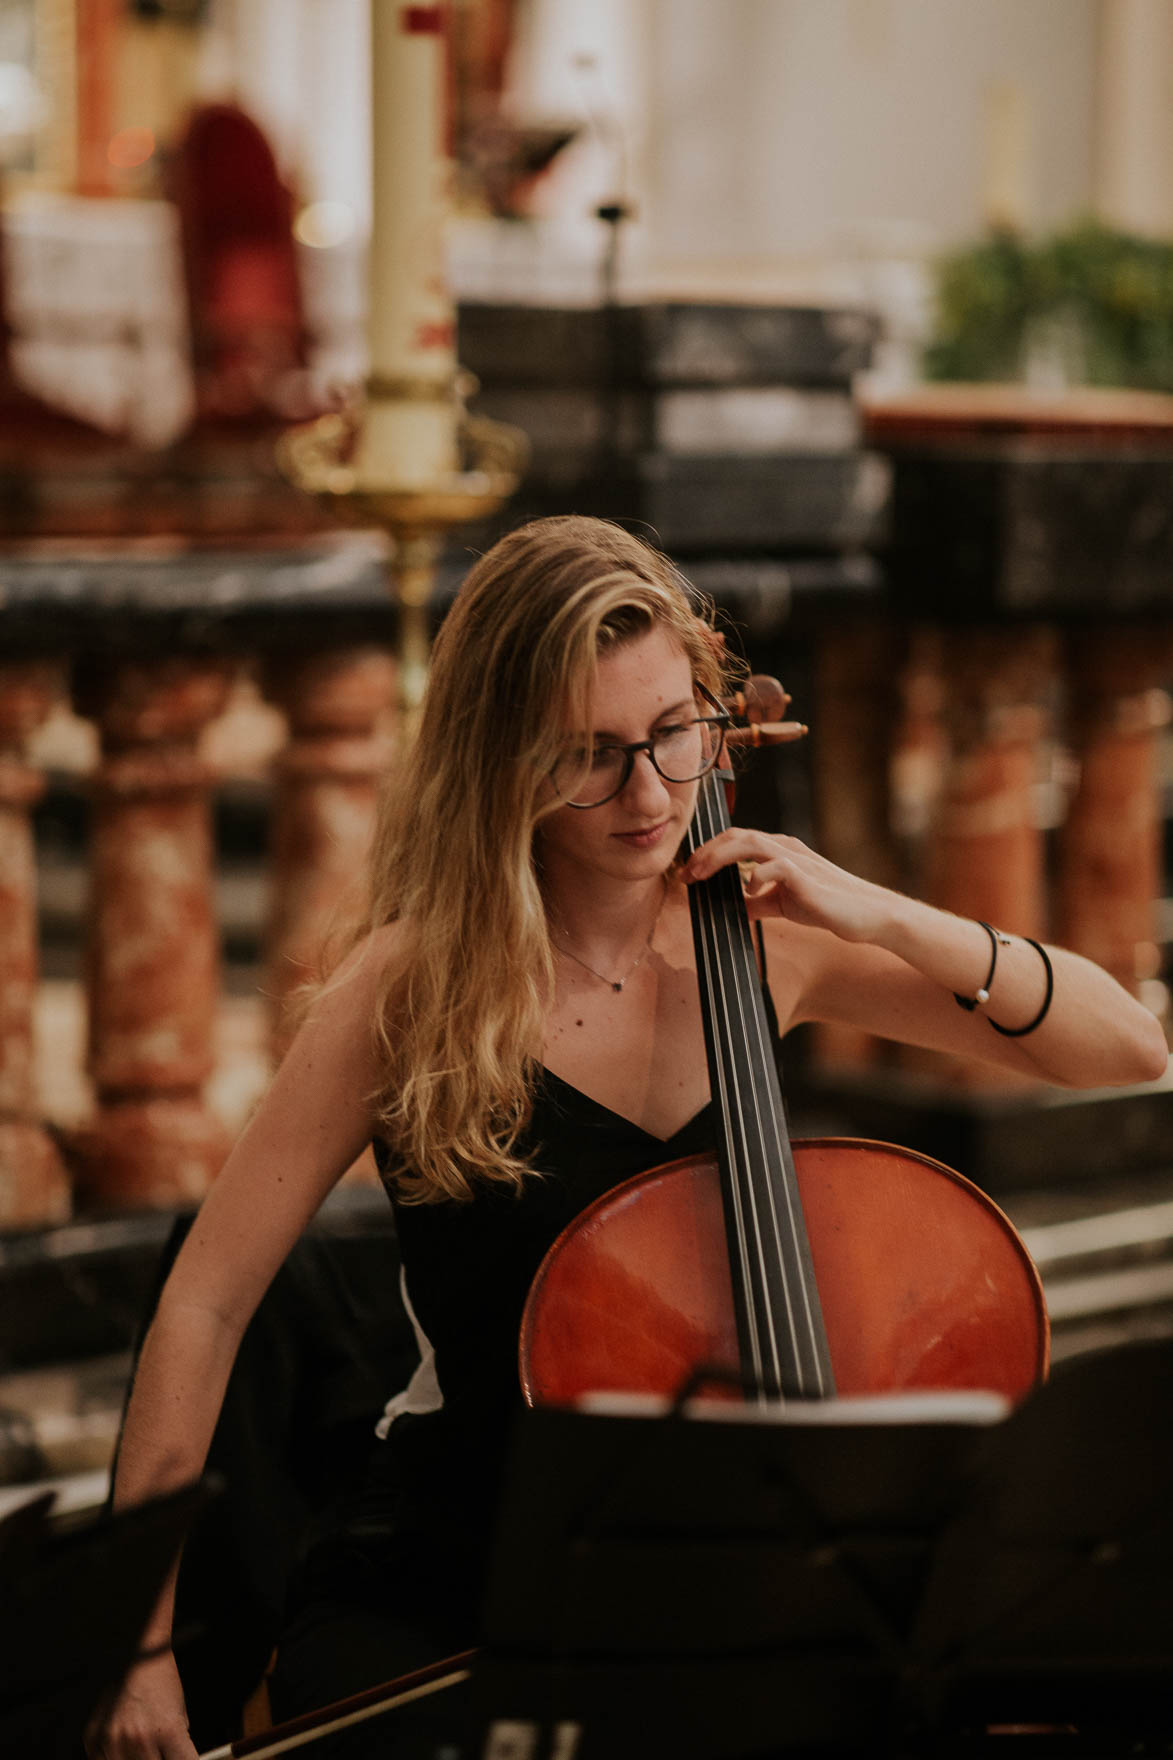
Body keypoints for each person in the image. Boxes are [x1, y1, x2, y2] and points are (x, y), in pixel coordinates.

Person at [90, 515, 1168, 1759]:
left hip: (747, 1594)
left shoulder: (776, 937)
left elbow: (1126, 1047)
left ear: (714, 711)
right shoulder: (411, 986)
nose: (649, 792)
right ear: (502, 758)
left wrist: (880, 910)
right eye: (589, 755)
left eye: (669, 732)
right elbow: (208, 1300)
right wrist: (141, 1644)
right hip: (461, 1582)